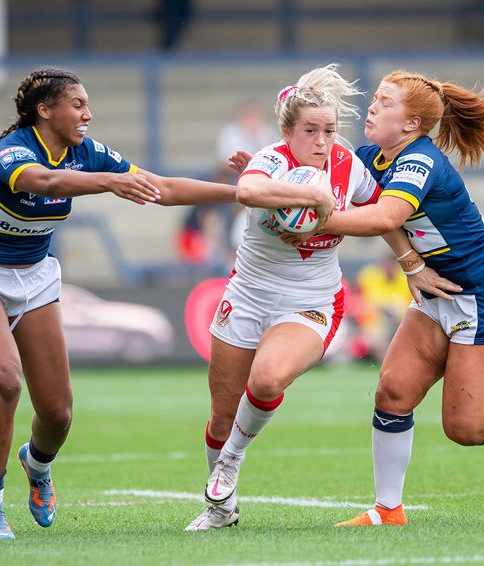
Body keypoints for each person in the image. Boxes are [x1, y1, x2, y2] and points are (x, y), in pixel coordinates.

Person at [0, 67, 237, 540]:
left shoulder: (88, 153)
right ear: (45, 109)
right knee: (4, 380)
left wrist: (242, 194)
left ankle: (36, 465)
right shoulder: (11, 150)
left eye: (87, 105)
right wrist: (108, 183)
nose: (88, 114)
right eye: (78, 105)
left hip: (35, 277)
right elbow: (46, 183)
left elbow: (163, 188)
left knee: (57, 414)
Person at [183, 64, 459, 531]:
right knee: (221, 414)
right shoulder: (269, 160)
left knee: (268, 379)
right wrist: (310, 196)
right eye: (310, 130)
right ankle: (221, 510)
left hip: (310, 300)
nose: (322, 140)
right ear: (286, 132)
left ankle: (231, 460)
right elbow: (247, 190)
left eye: (330, 130)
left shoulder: (348, 164)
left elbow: (383, 215)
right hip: (247, 295)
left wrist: (411, 263)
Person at [301, 70, 484, 527]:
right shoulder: (373, 156)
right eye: (375, 97)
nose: (372, 106)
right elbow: (370, 204)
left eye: (385, 101)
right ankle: (388, 510)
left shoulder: (420, 162)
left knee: (466, 428)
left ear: (411, 124)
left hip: (482, 296)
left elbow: (383, 215)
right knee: (392, 392)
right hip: (436, 291)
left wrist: (315, 222)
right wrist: (411, 262)